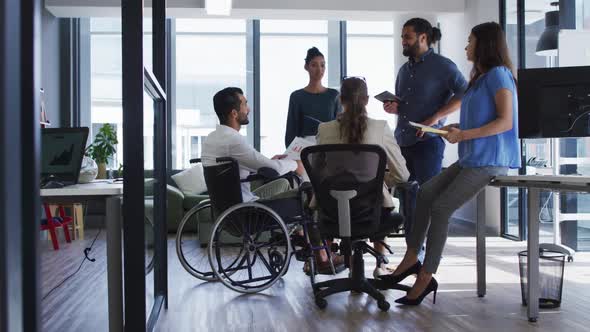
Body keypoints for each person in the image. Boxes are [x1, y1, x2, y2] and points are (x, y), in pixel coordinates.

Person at [387, 22, 521, 306]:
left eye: (470, 41)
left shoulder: (499, 75)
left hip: (491, 160)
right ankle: (411, 258)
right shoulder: (480, 79)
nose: (466, 46)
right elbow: (480, 118)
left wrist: (464, 133)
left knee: (441, 207)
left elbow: (505, 121)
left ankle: (426, 276)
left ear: (483, 45)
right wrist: (457, 128)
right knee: (424, 194)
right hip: (471, 158)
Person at [202, 87, 345, 272]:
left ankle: (302, 237)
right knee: (309, 191)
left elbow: (255, 164)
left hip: (229, 208)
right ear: (234, 113)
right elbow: (274, 170)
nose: (249, 108)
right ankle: (322, 257)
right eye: (245, 104)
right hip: (246, 213)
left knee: (286, 183)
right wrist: (295, 163)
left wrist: (275, 161)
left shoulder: (213, 138)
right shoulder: (233, 141)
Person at [316, 77, 410, 277]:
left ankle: (345, 264)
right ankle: (380, 264)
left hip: (332, 213)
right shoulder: (380, 128)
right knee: (377, 199)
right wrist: (380, 182)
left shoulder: (324, 129)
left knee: (363, 197)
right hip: (370, 215)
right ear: (367, 100)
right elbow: (402, 175)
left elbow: (319, 175)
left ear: (341, 99)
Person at [383, 18, 467, 186]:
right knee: (406, 197)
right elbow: (405, 105)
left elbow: (465, 93)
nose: (403, 42)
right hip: (402, 142)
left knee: (427, 197)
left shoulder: (443, 65)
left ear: (422, 38)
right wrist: (395, 107)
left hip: (428, 143)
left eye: (407, 37)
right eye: (402, 37)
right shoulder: (403, 70)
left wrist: (434, 118)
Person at [285, 47, 342, 147]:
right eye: (314, 65)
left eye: (322, 65)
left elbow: (340, 128)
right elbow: (291, 131)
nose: (319, 69)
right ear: (306, 67)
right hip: (304, 150)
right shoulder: (297, 97)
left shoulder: (334, 95)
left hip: (329, 148)